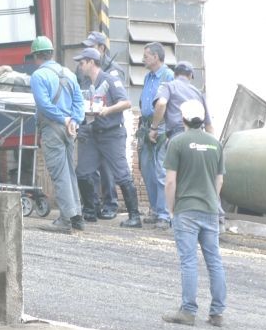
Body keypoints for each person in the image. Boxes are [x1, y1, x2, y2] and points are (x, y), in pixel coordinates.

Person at [162, 99, 226, 327]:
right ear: (202, 119)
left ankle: (188, 311)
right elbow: (219, 181)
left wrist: (171, 209)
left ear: (183, 119)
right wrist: (211, 200)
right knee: (214, 261)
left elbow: (170, 182)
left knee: (189, 261)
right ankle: (217, 313)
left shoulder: (177, 143)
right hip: (210, 209)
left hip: (186, 210)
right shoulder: (215, 144)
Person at [74, 48, 142, 228]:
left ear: (91, 62)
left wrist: (108, 110)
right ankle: (90, 210)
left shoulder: (110, 79)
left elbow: (126, 102)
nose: (79, 66)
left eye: (82, 63)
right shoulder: (87, 83)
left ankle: (135, 216)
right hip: (93, 133)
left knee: (122, 175)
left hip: (112, 134)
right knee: (82, 172)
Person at [30, 36, 85, 233]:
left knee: (60, 174)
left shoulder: (38, 76)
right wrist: (74, 121)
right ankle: (77, 216)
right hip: (70, 128)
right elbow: (80, 102)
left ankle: (65, 219)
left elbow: (43, 104)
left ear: (37, 56)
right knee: (70, 172)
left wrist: (64, 120)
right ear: (51, 53)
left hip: (53, 127)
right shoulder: (69, 73)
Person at [77, 31, 124, 220]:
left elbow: (119, 99)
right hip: (88, 126)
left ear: (102, 48)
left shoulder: (113, 71)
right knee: (87, 170)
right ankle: (92, 205)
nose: (86, 50)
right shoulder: (81, 68)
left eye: (91, 46)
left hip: (107, 126)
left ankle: (110, 204)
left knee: (107, 168)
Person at [138, 41, 174, 229]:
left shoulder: (167, 75)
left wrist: (156, 126)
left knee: (160, 171)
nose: (143, 58)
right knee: (147, 170)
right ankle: (154, 208)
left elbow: (163, 104)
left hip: (159, 127)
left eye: (146, 55)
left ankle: (164, 214)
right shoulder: (148, 77)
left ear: (156, 57)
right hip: (146, 126)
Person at [149, 61, 214, 142]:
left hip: (177, 134)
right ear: (190, 76)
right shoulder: (198, 93)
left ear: (174, 74)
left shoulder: (168, 86)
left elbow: (161, 103)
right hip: (197, 137)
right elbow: (208, 125)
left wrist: (154, 128)